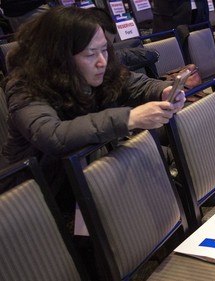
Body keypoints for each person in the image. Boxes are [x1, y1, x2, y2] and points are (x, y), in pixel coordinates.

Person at [0, 6, 185, 210]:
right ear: (59, 56)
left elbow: (135, 84)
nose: (102, 62)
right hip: (40, 197)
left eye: (104, 50)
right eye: (90, 54)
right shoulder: (25, 87)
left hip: (87, 170)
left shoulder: (100, 69)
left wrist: (162, 91)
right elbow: (54, 135)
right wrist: (128, 118)